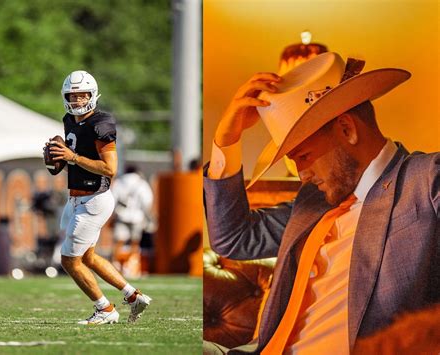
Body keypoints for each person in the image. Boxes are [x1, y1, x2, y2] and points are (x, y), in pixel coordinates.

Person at [203, 52, 439, 354]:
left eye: (303, 157)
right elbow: (233, 239)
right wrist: (227, 138)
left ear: (346, 130)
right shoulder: (313, 201)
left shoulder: (426, 180)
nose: (302, 175)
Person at [45, 70, 151, 325]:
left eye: (82, 95)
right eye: (73, 95)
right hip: (76, 200)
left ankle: (104, 309)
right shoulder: (69, 120)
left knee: (69, 260)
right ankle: (133, 296)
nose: (78, 100)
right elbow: (71, 157)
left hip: (94, 198)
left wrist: (72, 157)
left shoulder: (101, 123)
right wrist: (59, 159)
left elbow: (110, 169)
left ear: (92, 95)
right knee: (88, 257)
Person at [111, 164, 154, 277]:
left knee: (119, 242)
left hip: (121, 215)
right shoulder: (141, 183)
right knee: (135, 242)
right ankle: (130, 266)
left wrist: (113, 214)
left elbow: (113, 199)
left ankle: (115, 265)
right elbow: (147, 201)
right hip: (137, 217)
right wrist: (146, 216)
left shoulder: (120, 182)